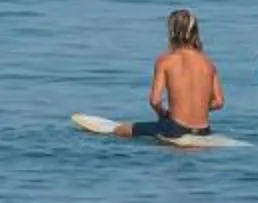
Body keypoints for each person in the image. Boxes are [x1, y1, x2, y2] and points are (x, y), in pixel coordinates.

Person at [86, 8, 224, 142]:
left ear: (172, 32)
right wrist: (195, 108)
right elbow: (218, 102)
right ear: (195, 32)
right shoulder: (208, 63)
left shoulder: (165, 60)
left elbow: (155, 101)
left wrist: (163, 115)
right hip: (204, 130)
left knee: (120, 130)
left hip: (175, 129)